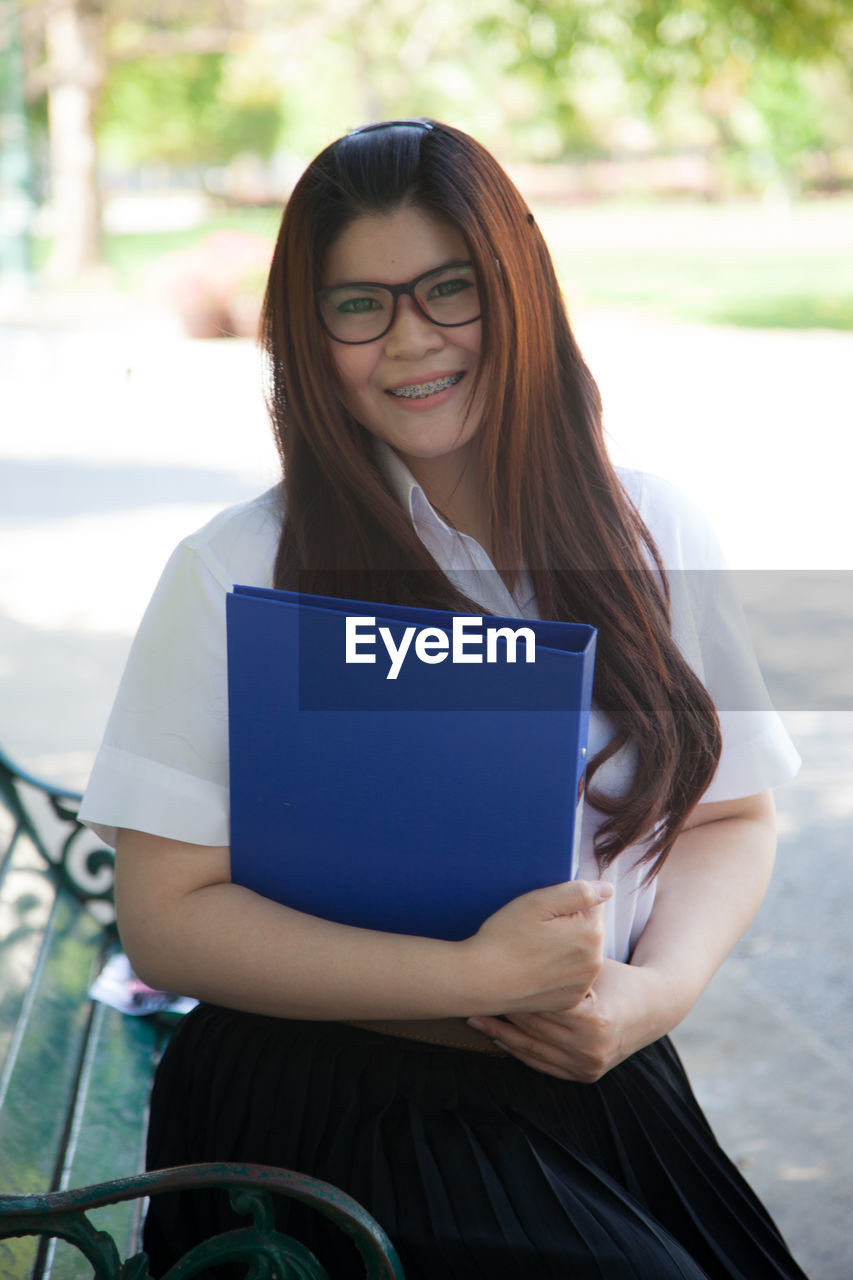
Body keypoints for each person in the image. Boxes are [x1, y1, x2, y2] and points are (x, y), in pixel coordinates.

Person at [80, 119, 807, 1280]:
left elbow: (733, 818)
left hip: (599, 1066)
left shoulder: (651, 530)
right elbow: (167, 913)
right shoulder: (235, 567)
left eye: (447, 289)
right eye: (356, 304)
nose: (410, 339)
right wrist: (474, 979)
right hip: (322, 1101)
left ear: (516, 289)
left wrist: (651, 996)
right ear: (309, 336)